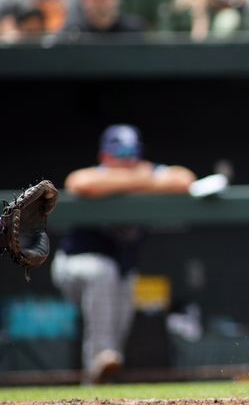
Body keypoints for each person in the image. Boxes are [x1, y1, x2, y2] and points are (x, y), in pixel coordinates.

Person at [51, 124, 196, 384]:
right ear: (105, 156)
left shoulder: (147, 174)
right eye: (121, 153)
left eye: (133, 153)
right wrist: (142, 180)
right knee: (102, 272)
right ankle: (97, 362)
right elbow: (78, 183)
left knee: (119, 315)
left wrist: (134, 181)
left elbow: (184, 178)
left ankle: (102, 376)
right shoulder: (99, 175)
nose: (129, 160)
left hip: (121, 269)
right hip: (76, 264)